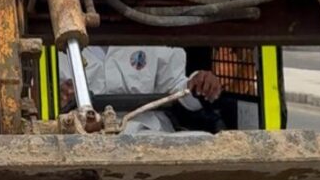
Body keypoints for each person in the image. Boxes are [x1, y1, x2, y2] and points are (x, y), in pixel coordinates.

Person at [58, 46, 222, 134]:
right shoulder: (59, 47)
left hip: (147, 134)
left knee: (198, 141)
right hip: (81, 136)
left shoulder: (147, 35)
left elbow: (178, 92)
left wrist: (196, 86)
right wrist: (60, 98)